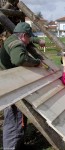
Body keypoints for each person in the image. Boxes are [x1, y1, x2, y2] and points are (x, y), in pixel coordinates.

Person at [0, 22, 45, 150]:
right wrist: (36, 62)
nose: (29, 40)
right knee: (13, 119)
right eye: (29, 37)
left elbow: (27, 41)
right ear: (23, 35)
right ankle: (10, 147)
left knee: (19, 118)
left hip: (12, 82)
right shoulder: (17, 44)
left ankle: (18, 145)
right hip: (10, 87)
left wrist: (37, 40)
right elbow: (19, 59)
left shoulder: (13, 38)